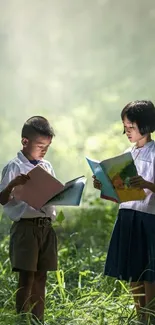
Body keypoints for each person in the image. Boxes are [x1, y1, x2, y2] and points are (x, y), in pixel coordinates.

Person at [93, 100, 155, 323]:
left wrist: (147, 184)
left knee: (150, 271)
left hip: (149, 218)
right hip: (127, 215)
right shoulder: (127, 155)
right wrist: (105, 185)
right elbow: (120, 195)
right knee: (133, 269)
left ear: (145, 126)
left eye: (130, 127)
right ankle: (141, 318)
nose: (126, 132)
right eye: (124, 128)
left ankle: (151, 316)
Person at [0, 116, 57, 324]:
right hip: (25, 228)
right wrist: (12, 185)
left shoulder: (47, 166)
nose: (44, 150)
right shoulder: (13, 166)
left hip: (46, 227)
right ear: (25, 141)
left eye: (47, 146)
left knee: (42, 276)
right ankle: (22, 320)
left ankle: (37, 319)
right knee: (27, 277)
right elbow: (2, 199)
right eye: (40, 145)